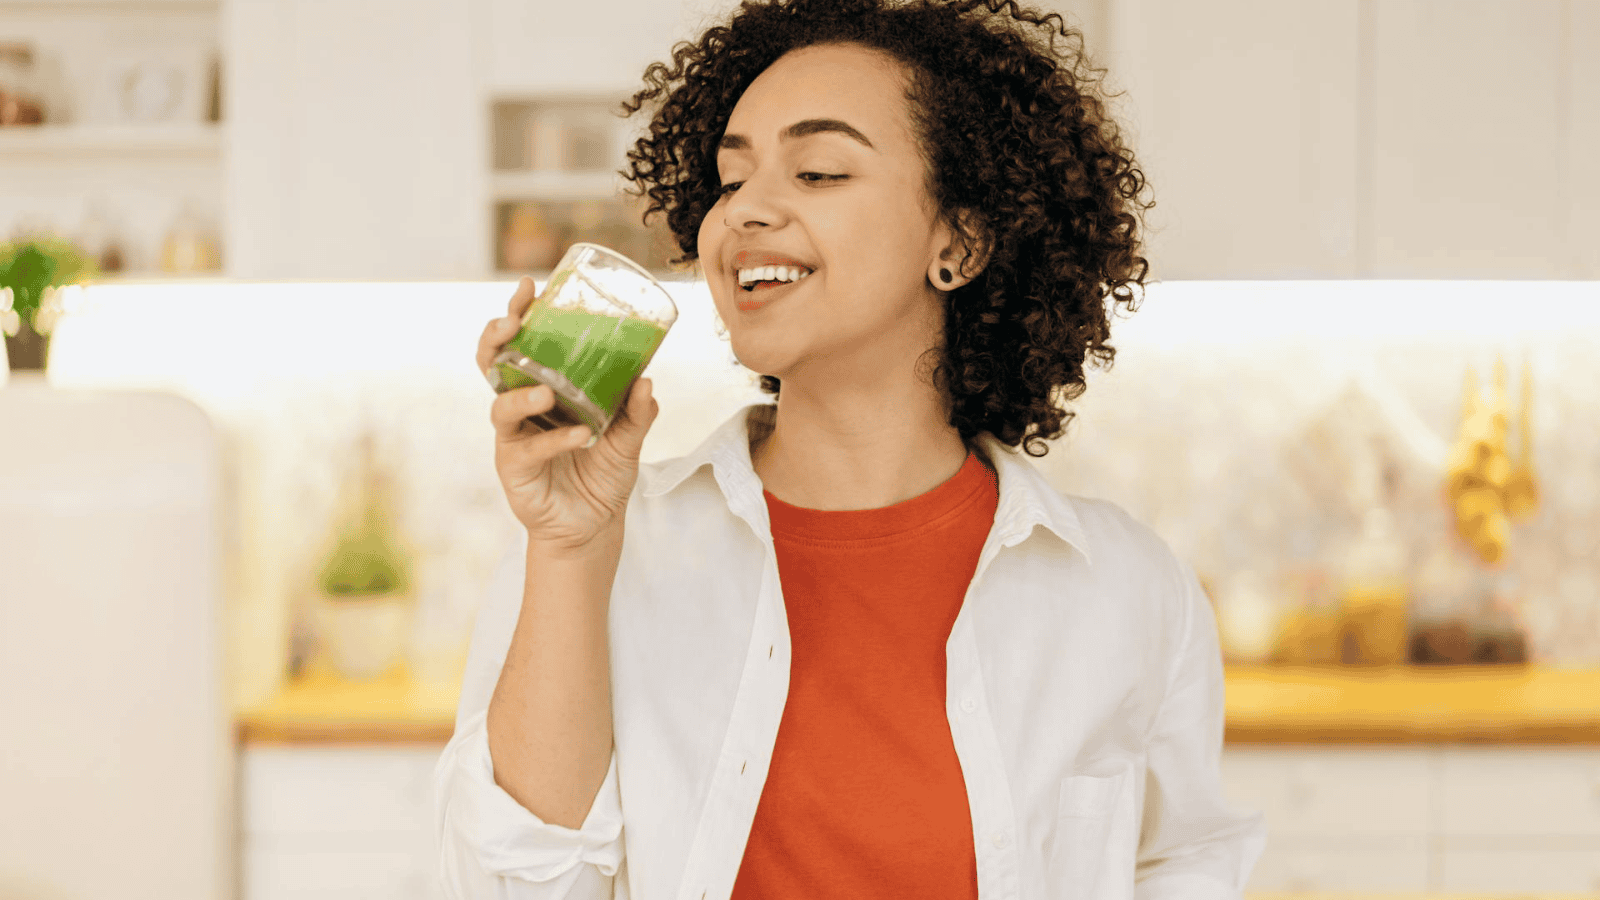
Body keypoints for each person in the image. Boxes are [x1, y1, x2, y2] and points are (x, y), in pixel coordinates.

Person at [435, 0, 1267, 897]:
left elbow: (1184, 865)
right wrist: (569, 548)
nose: (745, 212)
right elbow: (511, 888)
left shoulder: (1127, 590)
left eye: (820, 171)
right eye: (730, 178)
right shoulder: (599, 551)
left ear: (960, 241)